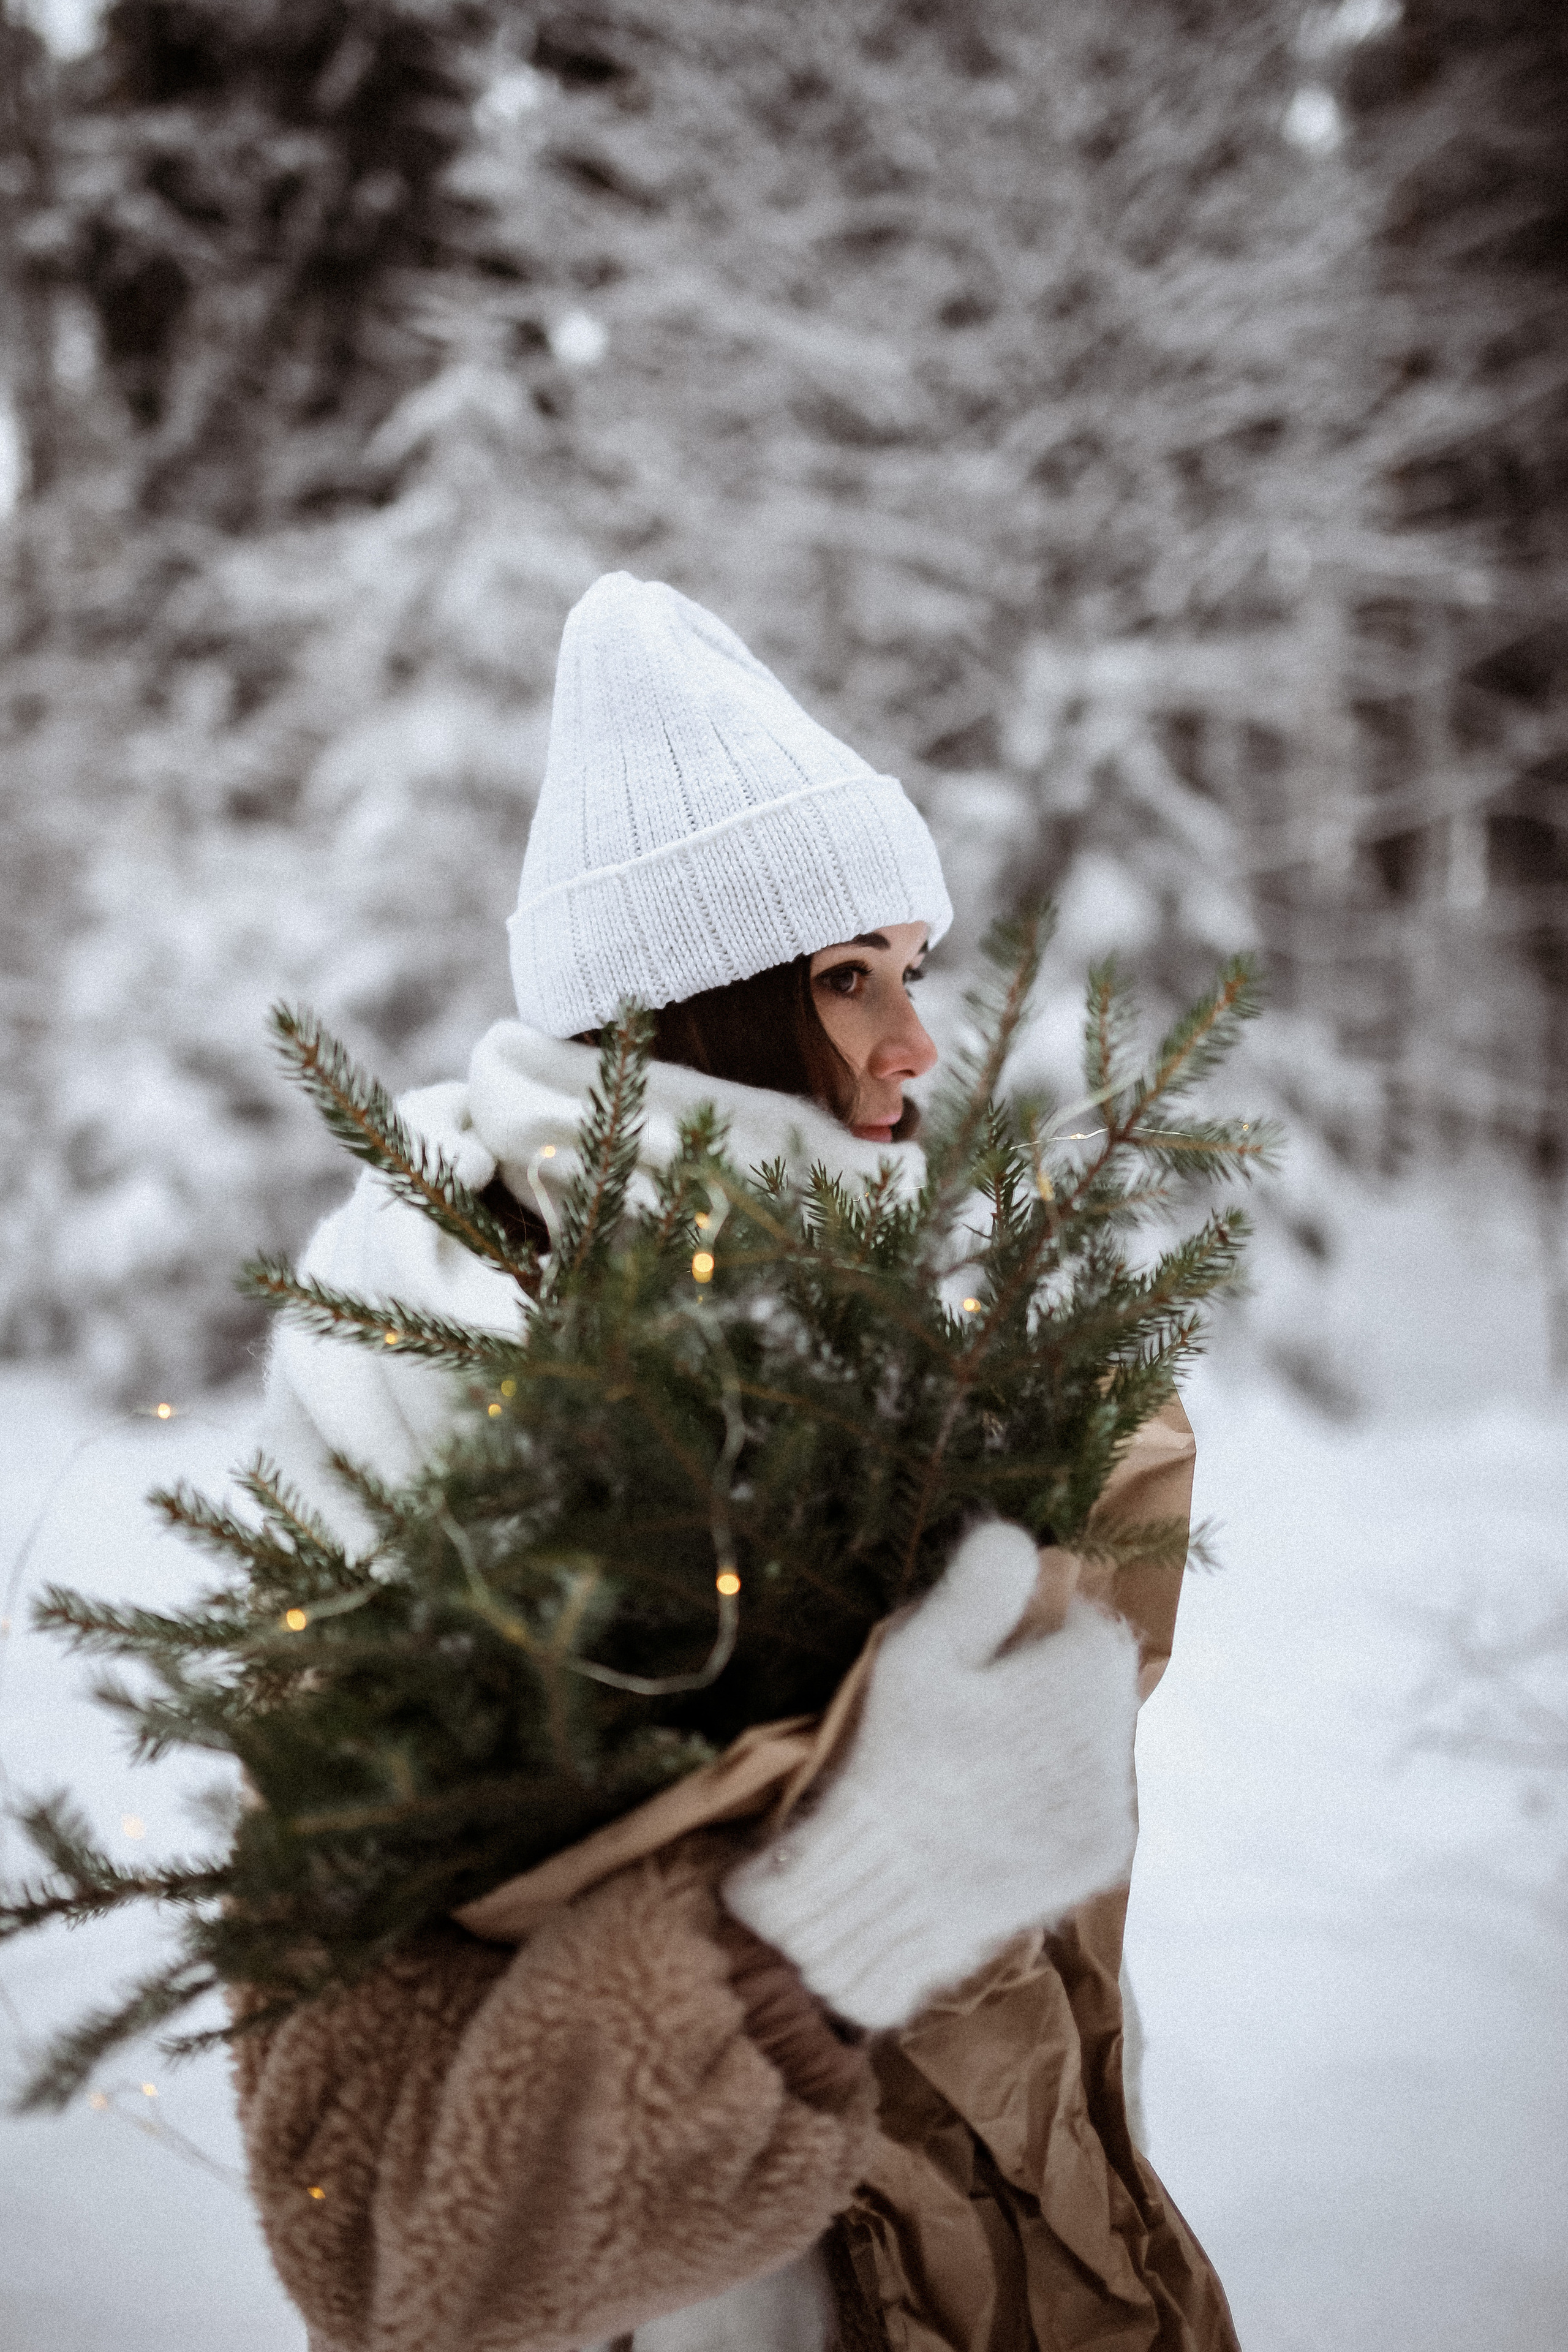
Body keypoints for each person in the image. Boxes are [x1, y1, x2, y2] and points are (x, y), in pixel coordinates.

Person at [241, 575, 1239, 2352]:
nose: (915, 1041)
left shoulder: (934, 1359)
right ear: (691, 1014)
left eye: (911, 969)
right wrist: (823, 1927)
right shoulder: (417, 1388)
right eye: (847, 979)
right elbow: (391, 2253)